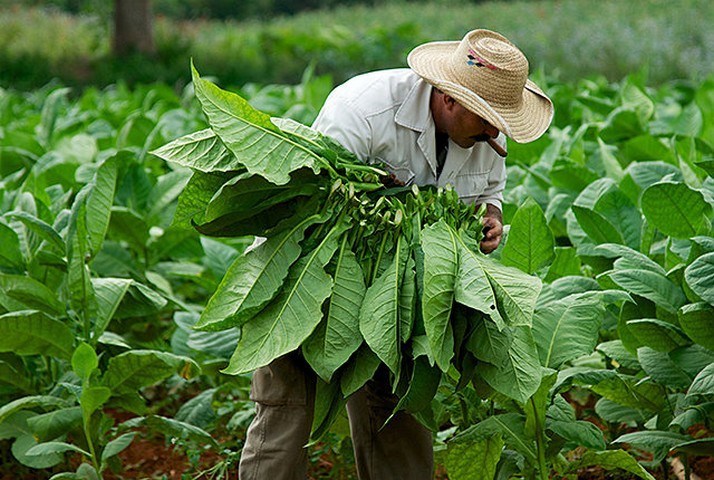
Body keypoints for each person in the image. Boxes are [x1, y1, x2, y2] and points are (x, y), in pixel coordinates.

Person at [238, 28, 553, 480]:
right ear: (448, 98)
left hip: (399, 294)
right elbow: (316, 206)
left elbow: (490, 192)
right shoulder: (362, 110)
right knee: (285, 409)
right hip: (304, 277)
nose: (494, 133)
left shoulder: (486, 135)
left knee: (397, 413)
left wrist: (490, 221)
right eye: (485, 119)